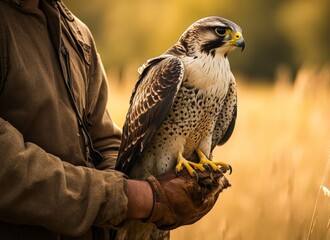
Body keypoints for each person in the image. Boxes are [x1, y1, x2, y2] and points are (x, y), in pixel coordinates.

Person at [0, 0, 229, 239]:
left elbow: (103, 140)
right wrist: (137, 198)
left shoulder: (75, 33)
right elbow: (7, 168)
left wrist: (152, 194)